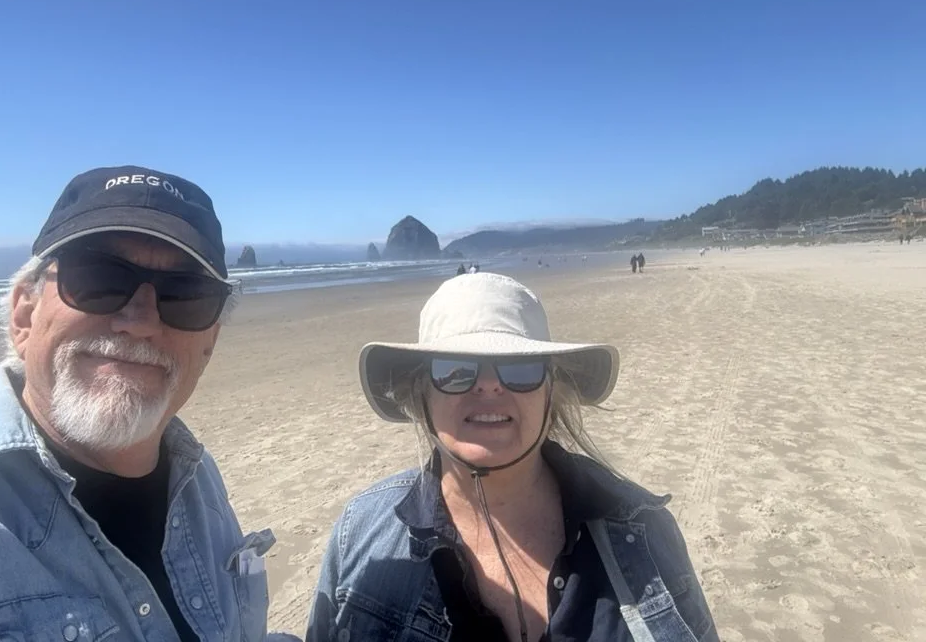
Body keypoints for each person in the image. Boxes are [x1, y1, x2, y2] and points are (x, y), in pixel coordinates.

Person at [0, 166, 282, 642]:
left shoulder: (198, 479)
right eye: (99, 280)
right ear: (24, 314)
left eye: (185, 295)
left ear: (210, 342)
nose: (139, 322)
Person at [307, 273, 718, 642]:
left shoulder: (643, 528)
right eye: (455, 369)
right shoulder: (359, 531)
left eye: (520, 368)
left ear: (549, 392)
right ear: (422, 394)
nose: (487, 386)